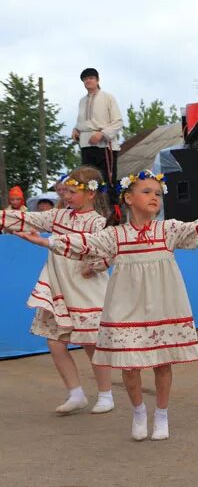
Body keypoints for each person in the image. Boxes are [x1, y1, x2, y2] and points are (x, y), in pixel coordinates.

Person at [18, 170, 198, 440]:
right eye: (146, 192)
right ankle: (137, 412)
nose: (154, 197)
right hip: (127, 305)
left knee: (162, 363)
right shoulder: (116, 235)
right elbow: (86, 243)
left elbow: (197, 228)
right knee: (129, 365)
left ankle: (161, 414)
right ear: (128, 198)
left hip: (162, 303)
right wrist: (46, 241)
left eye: (158, 193)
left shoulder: (167, 230)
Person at [2, 166, 115, 415]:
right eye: (66, 191)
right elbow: (27, 219)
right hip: (60, 287)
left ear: (91, 194)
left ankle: (106, 394)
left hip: (86, 288)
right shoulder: (58, 217)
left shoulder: (98, 222)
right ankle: (75, 393)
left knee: (91, 343)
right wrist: (5, 219)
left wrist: (96, 266)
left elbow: (108, 251)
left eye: (73, 192)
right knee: (55, 342)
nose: (67, 197)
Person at [72, 68, 123, 188]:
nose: (88, 81)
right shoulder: (82, 101)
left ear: (97, 80)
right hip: (86, 144)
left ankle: (109, 206)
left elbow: (118, 121)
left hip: (104, 145)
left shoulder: (108, 97)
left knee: (106, 180)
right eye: (85, 79)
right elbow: (82, 122)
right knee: (88, 181)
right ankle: (92, 207)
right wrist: (76, 129)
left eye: (91, 78)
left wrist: (102, 134)